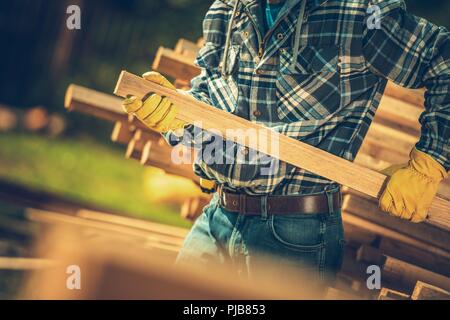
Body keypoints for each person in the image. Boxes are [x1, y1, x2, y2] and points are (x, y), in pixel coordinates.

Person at [122, 0, 449, 286]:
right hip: (219, 215)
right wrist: (177, 113)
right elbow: (212, 97)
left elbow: (443, 60)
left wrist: (428, 162)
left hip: (296, 234)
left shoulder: (359, 14)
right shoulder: (230, 8)